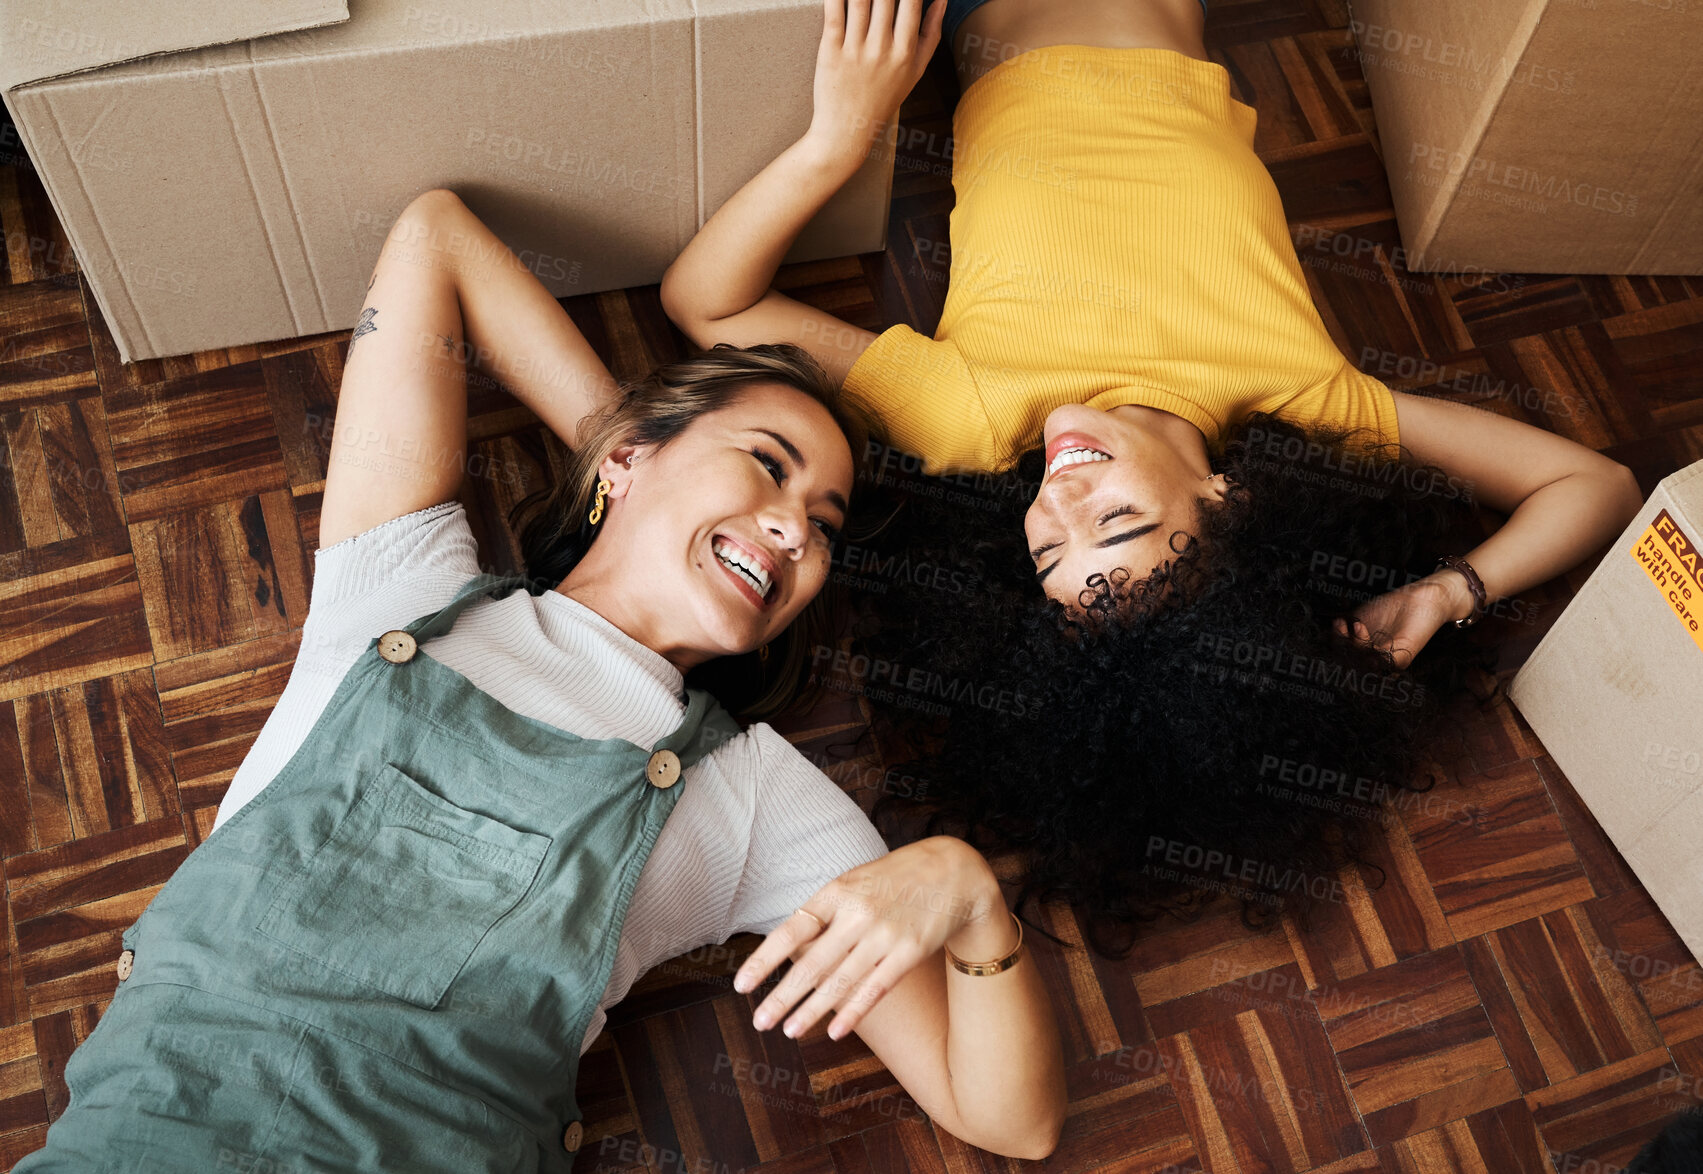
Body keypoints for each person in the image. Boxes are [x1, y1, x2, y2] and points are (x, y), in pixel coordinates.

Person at [15, 188, 1065, 1172]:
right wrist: (623, 449)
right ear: (628, 458)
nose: (795, 527)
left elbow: (1008, 1119)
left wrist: (967, 893)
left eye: (823, 527)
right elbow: (435, 236)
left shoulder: (754, 796)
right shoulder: (404, 583)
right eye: (766, 462)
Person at [659, 0, 1645, 952]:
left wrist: (838, 137)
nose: (1059, 495)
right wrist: (1443, 590)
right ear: (1233, 505)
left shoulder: (969, 416)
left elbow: (705, 299)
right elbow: (1591, 485)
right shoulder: (1305, 403)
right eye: (1118, 522)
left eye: (1045, 544)